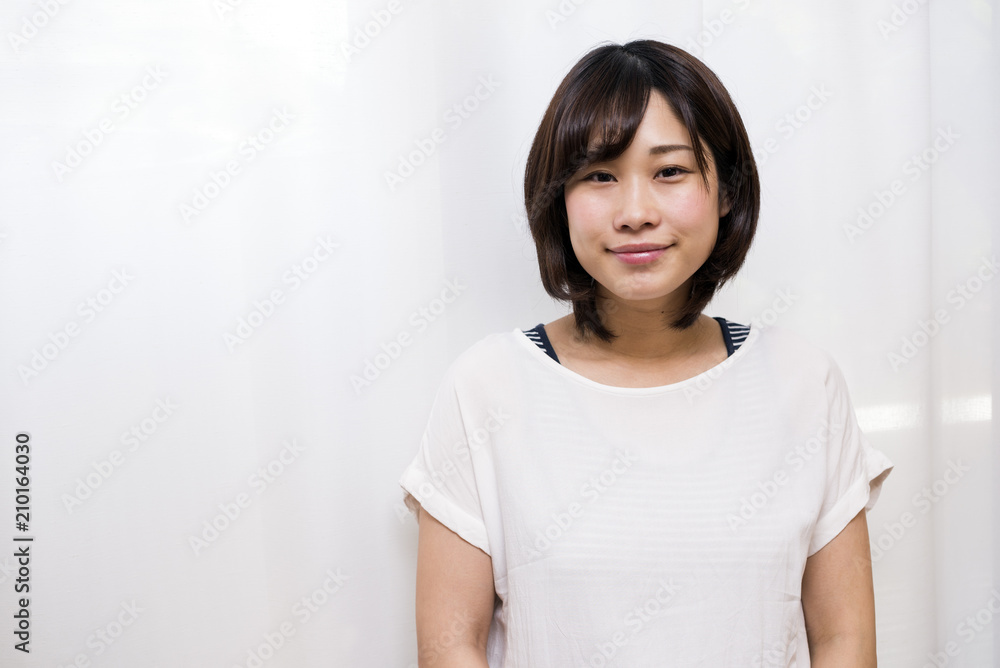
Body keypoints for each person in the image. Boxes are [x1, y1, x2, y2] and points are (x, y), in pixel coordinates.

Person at [398, 39, 894, 667]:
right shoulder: (487, 387)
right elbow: (451, 648)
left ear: (728, 191)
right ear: (558, 199)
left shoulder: (803, 381)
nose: (635, 213)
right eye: (599, 176)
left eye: (670, 172)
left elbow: (844, 641)